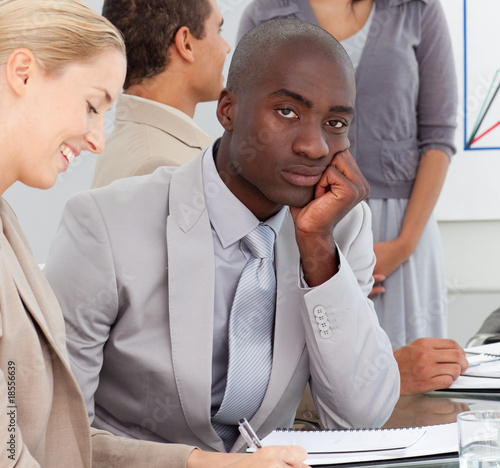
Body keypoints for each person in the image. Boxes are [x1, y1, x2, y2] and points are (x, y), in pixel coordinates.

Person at [44, 18, 400, 455]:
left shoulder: (341, 226)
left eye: (335, 123)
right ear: (228, 108)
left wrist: (319, 253)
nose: (315, 146)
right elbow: (54, 433)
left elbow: (361, 416)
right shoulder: (106, 223)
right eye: (287, 112)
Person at [0, 1, 310, 466]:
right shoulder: (152, 180)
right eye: (90, 106)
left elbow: (51, 437)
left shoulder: (9, 232)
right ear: (23, 73)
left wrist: (208, 463)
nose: (97, 139)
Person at [237, 0, 458, 350]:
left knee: (410, 377)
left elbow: (438, 137)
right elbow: (249, 126)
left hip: (402, 229)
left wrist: (403, 246)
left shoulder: (418, 9)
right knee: (310, 367)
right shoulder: (266, 13)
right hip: (297, 221)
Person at [90, 0, 229, 188]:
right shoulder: (160, 166)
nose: (226, 47)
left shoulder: (134, 143)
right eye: (218, 31)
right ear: (186, 43)